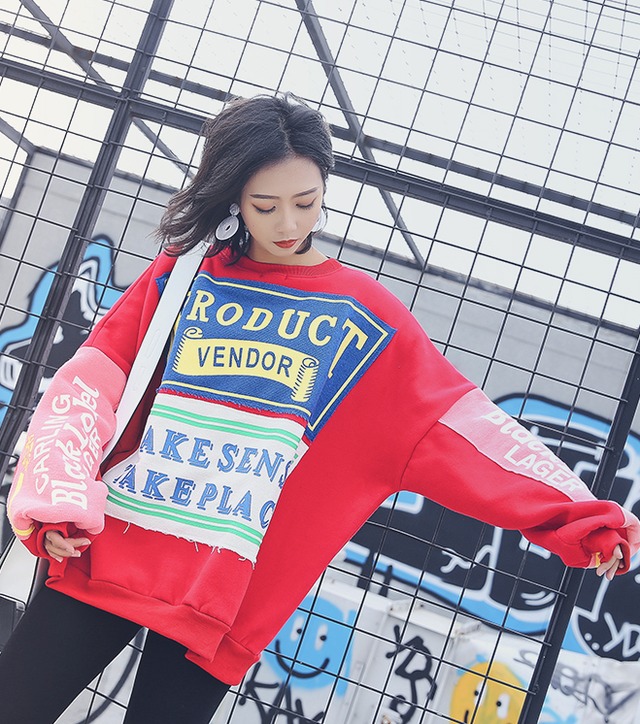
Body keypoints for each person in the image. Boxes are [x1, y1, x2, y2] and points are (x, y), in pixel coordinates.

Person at [0, 93, 638, 724]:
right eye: (265, 205)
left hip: (226, 598)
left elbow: (459, 432)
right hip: (112, 548)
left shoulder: (369, 318)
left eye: (306, 202)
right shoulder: (185, 275)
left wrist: (578, 519)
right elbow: (90, 384)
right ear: (232, 197)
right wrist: (56, 498)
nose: (287, 224)